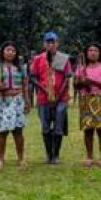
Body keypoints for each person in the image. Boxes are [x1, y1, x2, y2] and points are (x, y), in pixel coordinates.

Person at [29, 31, 73, 164]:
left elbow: (67, 77)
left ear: (57, 43)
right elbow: (33, 77)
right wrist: (44, 89)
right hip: (43, 98)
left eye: (53, 41)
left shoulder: (63, 58)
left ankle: (56, 155)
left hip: (61, 98)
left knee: (59, 126)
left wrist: (59, 93)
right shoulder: (38, 59)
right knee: (46, 127)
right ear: (44, 44)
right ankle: (49, 154)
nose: (50, 44)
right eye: (48, 42)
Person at [0, 41, 29, 170]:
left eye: (13, 50)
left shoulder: (21, 68)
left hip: (17, 101)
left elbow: (25, 86)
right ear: (3, 52)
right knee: (2, 131)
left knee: (18, 131)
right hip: (1, 102)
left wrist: (27, 101)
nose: (10, 52)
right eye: (8, 50)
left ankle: (21, 158)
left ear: (16, 54)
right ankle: (0, 159)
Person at [75, 43, 101, 168]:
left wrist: (92, 81)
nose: (92, 52)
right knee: (88, 129)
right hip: (85, 100)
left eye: (95, 50)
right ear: (86, 53)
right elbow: (75, 85)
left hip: (100, 100)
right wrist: (82, 82)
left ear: (99, 53)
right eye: (90, 50)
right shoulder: (81, 68)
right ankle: (89, 157)